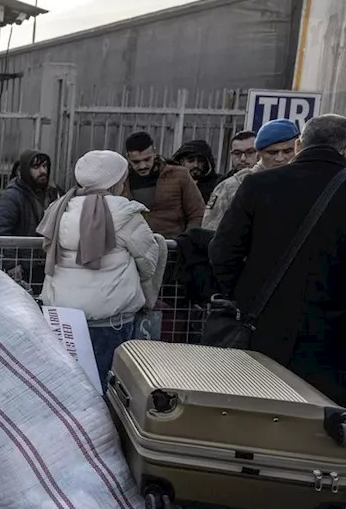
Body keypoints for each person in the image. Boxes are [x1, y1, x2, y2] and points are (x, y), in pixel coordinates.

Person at [210, 115, 346, 404]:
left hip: (262, 326)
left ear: (299, 145)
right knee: (321, 425)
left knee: (257, 413)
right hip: (333, 338)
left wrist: (245, 294)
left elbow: (222, 251)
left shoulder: (259, 185)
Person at [38, 150, 160, 383]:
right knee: (107, 389)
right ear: (116, 180)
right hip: (110, 320)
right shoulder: (125, 213)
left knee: (68, 388)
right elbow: (148, 261)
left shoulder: (61, 209)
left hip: (63, 318)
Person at [203, 119, 299, 230]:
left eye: (287, 151)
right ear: (259, 154)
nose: (280, 158)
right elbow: (209, 234)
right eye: (272, 152)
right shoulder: (232, 187)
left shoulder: (304, 183)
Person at [122, 131, 205, 238]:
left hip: (173, 246)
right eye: (136, 162)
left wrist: (186, 241)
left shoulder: (179, 175)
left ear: (154, 153)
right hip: (134, 246)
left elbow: (197, 213)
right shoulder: (122, 181)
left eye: (147, 159)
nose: (142, 166)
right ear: (128, 158)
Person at [0, 149, 59, 237]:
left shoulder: (52, 193)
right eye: (36, 167)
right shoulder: (12, 196)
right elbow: (2, 234)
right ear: (26, 170)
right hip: (20, 249)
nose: (43, 171)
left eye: (45, 166)